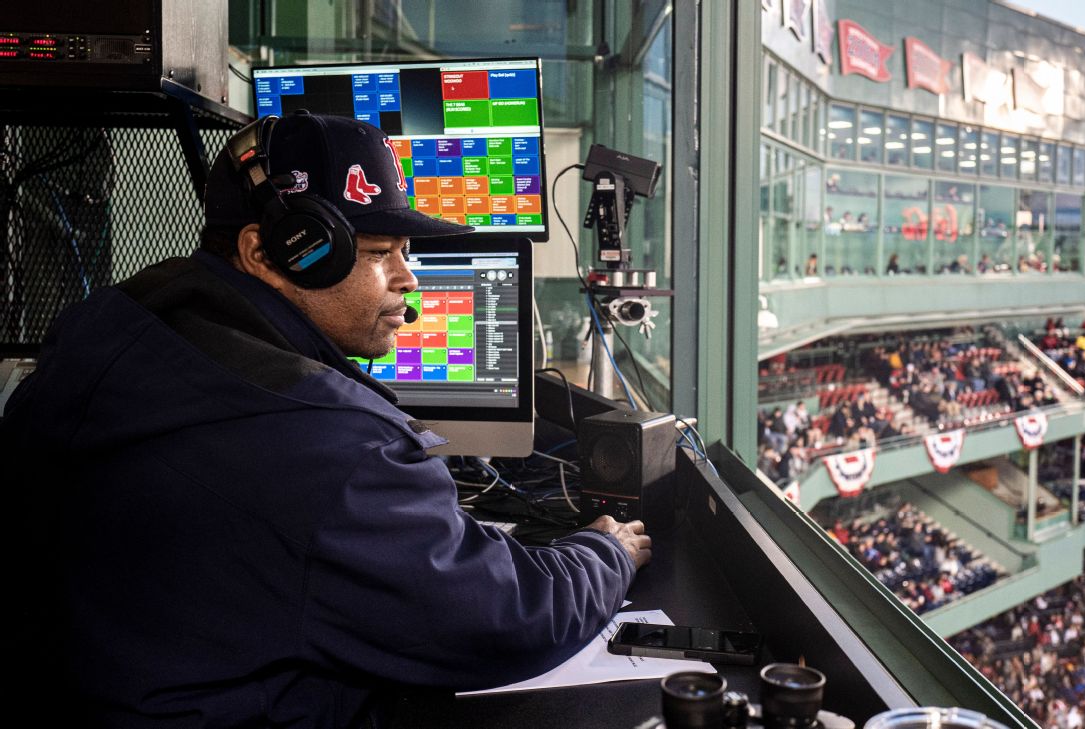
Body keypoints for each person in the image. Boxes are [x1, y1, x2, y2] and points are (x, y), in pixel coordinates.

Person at [2, 112, 651, 727]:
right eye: (378, 253)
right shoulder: (327, 443)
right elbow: (504, 616)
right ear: (269, 253)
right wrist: (604, 551)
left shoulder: (112, 334)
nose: (409, 281)